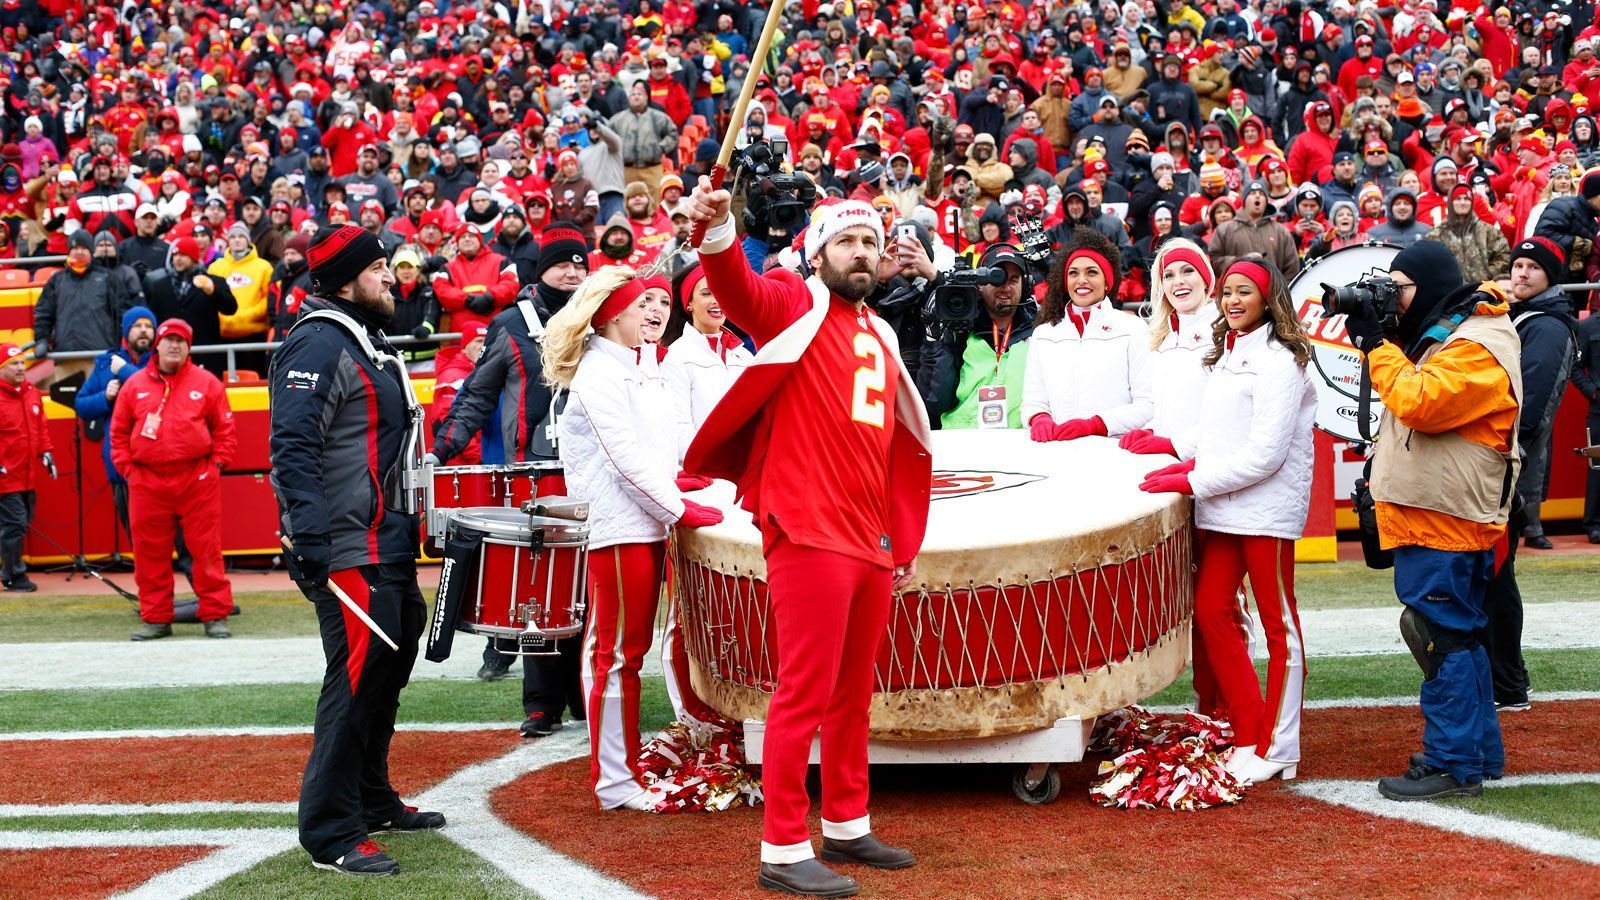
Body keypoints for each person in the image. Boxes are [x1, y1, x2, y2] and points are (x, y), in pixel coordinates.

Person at [682, 185, 932, 895]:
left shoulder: (879, 333)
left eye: (871, 245)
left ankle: (847, 824)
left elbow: (890, 449)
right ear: (817, 251)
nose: (861, 253)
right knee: (804, 692)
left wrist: (898, 538)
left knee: (854, 694)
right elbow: (736, 289)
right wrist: (721, 226)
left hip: (868, 538)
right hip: (807, 528)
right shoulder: (794, 302)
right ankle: (784, 847)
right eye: (846, 242)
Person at [270, 224, 443, 876]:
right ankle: (330, 831)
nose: (391, 278)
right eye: (376, 269)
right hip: (347, 543)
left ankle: (370, 795)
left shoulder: (363, 341)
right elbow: (293, 442)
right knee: (352, 682)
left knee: (386, 672)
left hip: (386, 541)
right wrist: (309, 536)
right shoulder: (317, 342)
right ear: (345, 281)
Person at [1339, 240, 1521, 801]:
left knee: (1441, 635)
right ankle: (1478, 754)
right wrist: (1382, 336)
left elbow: (1420, 402)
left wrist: (1377, 344)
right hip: (1437, 511)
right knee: (1453, 634)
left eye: (1401, 288)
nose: (1393, 299)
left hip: (1447, 516)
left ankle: (1453, 762)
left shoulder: (1480, 344)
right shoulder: (1457, 332)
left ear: (1434, 285)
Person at [541, 267, 725, 810]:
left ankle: (619, 771)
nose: (656, 311)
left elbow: (654, 452)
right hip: (620, 530)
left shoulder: (644, 366)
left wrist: (679, 480)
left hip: (648, 522)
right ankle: (614, 782)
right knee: (617, 653)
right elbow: (623, 462)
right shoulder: (599, 374)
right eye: (644, 301)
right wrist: (679, 506)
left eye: (663, 302)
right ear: (612, 311)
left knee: (629, 649)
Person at [1142, 257, 1318, 785]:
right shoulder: (1226, 354)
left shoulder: (1282, 362)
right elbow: (1216, 434)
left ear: (1268, 299)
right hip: (1224, 509)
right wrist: (1174, 451)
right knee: (1211, 610)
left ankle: (1279, 745)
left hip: (1264, 512)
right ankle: (1248, 731)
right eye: (1229, 292)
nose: (1234, 300)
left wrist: (1189, 480)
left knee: (1278, 626)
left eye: (1246, 291)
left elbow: (1265, 454)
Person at [431, 223, 590, 733]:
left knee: (591, 589)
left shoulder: (604, 318)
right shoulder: (511, 324)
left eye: (580, 263)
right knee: (543, 588)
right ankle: (542, 704)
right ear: (541, 269)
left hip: (595, 469)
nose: (572, 271)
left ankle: (587, 694)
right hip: (538, 471)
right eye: (562, 262)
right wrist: (441, 450)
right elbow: (478, 394)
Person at [109, 318, 236, 641]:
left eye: (182, 341)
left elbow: (224, 430)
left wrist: (216, 465)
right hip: (146, 481)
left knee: (206, 551)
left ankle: (215, 615)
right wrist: (129, 470)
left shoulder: (207, 383)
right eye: (169, 340)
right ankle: (156, 619)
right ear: (158, 344)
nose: (175, 345)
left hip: (197, 478)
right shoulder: (134, 385)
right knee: (150, 554)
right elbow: (119, 433)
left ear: (188, 347)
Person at [1022, 228, 1153, 442]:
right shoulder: (1043, 335)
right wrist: (1039, 418)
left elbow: (1148, 404)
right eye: (1074, 273)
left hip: (1114, 450)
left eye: (1092, 272)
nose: (1082, 280)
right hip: (1056, 451)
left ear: (1108, 281)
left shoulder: (1133, 329)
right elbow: (1033, 399)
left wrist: (1097, 424)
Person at [1504, 238, 1578, 550]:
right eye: (1518, 266)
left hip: (1512, 450)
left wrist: (1506, 444)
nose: (1522, 273)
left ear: (1550, 277)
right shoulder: (1522, 313)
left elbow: (1534, 403)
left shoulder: (1547, 326)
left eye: (1533, 268)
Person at [917, 242, 1038, 429]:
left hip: (1019, 444)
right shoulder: (959, 332)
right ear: (979, 285)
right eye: (997, 278)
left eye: (1013, 280)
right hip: (962, 444)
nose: (1005, 287)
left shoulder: (1039, 332)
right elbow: (933, 404)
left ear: (1026, 285)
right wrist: (933, 340)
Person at [662, 264, 753, 445]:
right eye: (706, 293)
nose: (716, 300)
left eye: (721, 291)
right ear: (689, 303)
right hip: (706, 470)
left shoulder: (744, 357)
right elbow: (680, 431)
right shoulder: (676, 357)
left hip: (747, 468)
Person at [34, 230, 131, 377]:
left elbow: (121, 313)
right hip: (65, 358)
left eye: (84, 248)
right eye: (75, 248)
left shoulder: (107, 277)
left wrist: (118, 346)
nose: (79, 252)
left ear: (91, 251)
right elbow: (43, 313)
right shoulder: (56, 280)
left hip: (101, 357)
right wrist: (42, 339)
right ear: (69, 251)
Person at [142, 236, 239, 375]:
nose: (178, 259)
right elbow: (154, 319)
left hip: (205, 356)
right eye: (175, 255)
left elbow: (231, 308)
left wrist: (214, 291)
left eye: (183, 255)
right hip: (170, 356)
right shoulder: (159, 285)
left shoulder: (213, 281)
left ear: (193, 257)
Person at [0, 344, 54, 593]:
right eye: (14, 364)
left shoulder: (31, 392)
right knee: (15, 524)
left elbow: (40, 426)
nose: (22, 367)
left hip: (27, 474)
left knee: (21, 522)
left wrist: (46, 452)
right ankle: (13, 575)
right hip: (5, 476)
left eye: (22, 363)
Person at [1207, 180, 1301, 277]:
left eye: (1261, 194)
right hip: (1237, 290)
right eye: (1252, 193)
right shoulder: (1224, 229)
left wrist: (1280, 290)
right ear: (1244, 200)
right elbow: (1213, 261)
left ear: (1266, 201)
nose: (1257, 196)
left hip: (1272, 291)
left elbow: (1292, 267)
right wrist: (1240, 261)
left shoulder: (1281, 231)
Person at [1574, 309, 1600, 543]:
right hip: (1599, 409)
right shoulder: (1588, 326)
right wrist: (1592, 392)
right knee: (1598, 466)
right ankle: (1594, 524)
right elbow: (1575, 366)